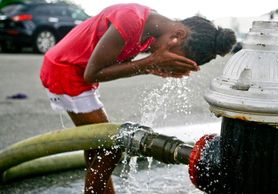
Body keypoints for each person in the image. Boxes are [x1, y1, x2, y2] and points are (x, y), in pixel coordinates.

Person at [40, 3, 236, 194]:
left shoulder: (153, 27)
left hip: (75, 70)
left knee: (96, 146)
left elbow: (111, 64)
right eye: (172, 57)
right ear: (178, 35)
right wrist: (150, 63)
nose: (167, 59)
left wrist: (152, 67)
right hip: (65, 70)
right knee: (109, 146)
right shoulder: (131, 21)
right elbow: (92, 74)